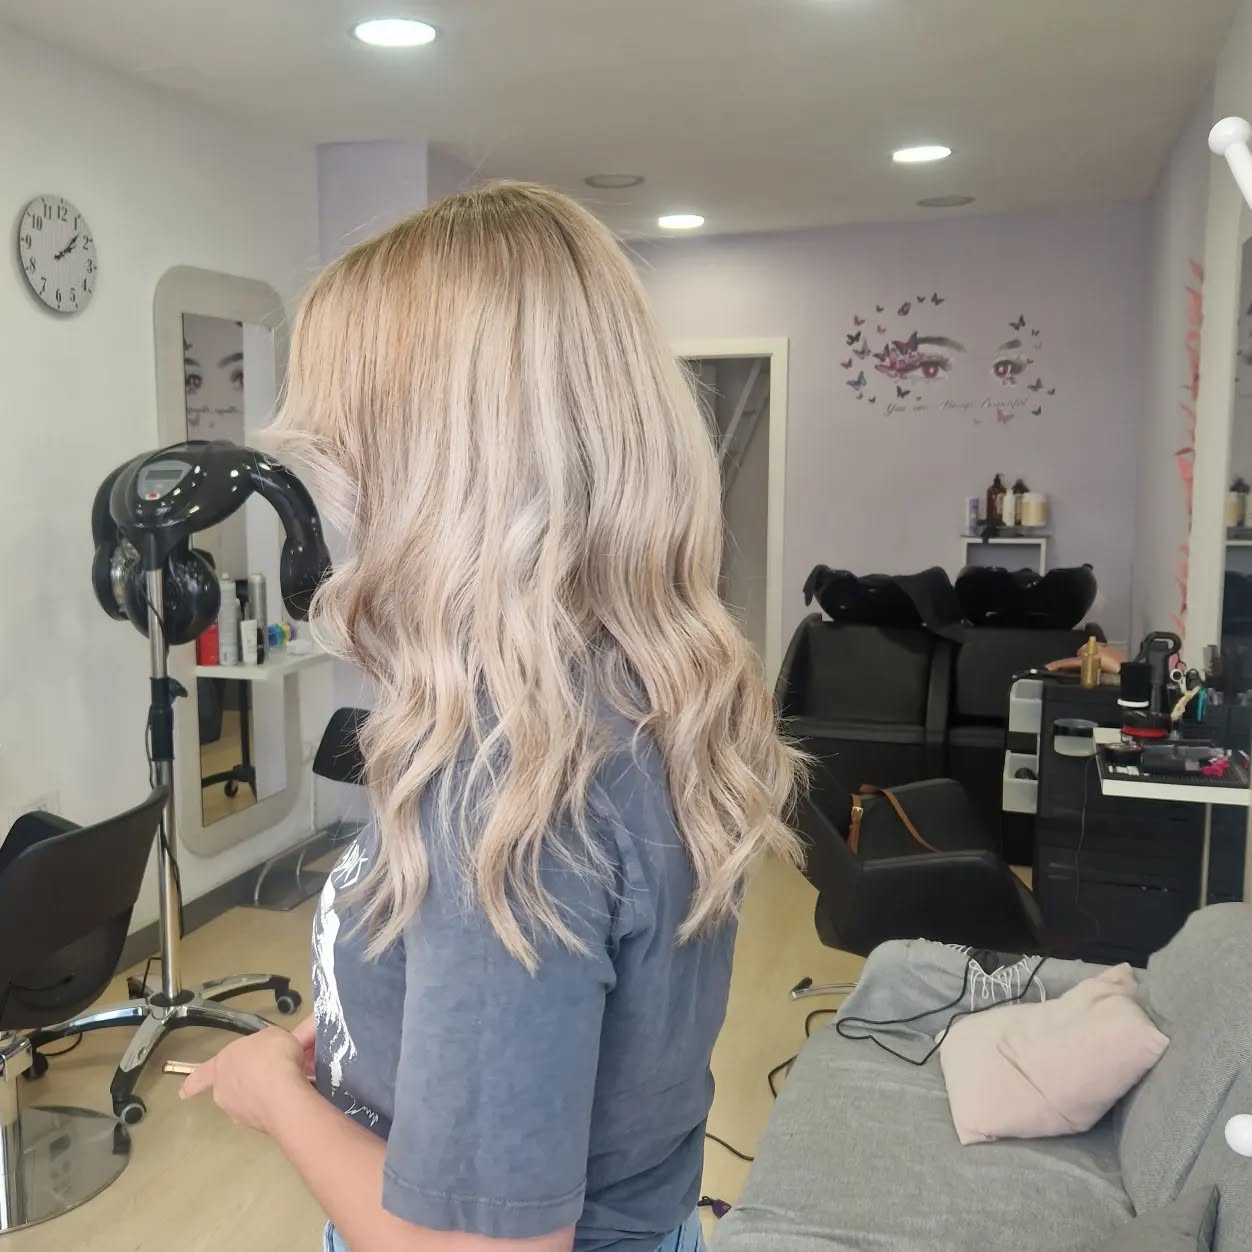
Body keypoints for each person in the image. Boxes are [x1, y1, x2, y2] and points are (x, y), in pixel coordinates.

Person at [180, 182, 804, 1252]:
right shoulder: (648, 688)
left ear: (433, 468)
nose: (330, 492)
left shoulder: (510, 788)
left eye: (344, 445)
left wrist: (269, 1093)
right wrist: (374, 1022)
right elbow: (559, 1022)